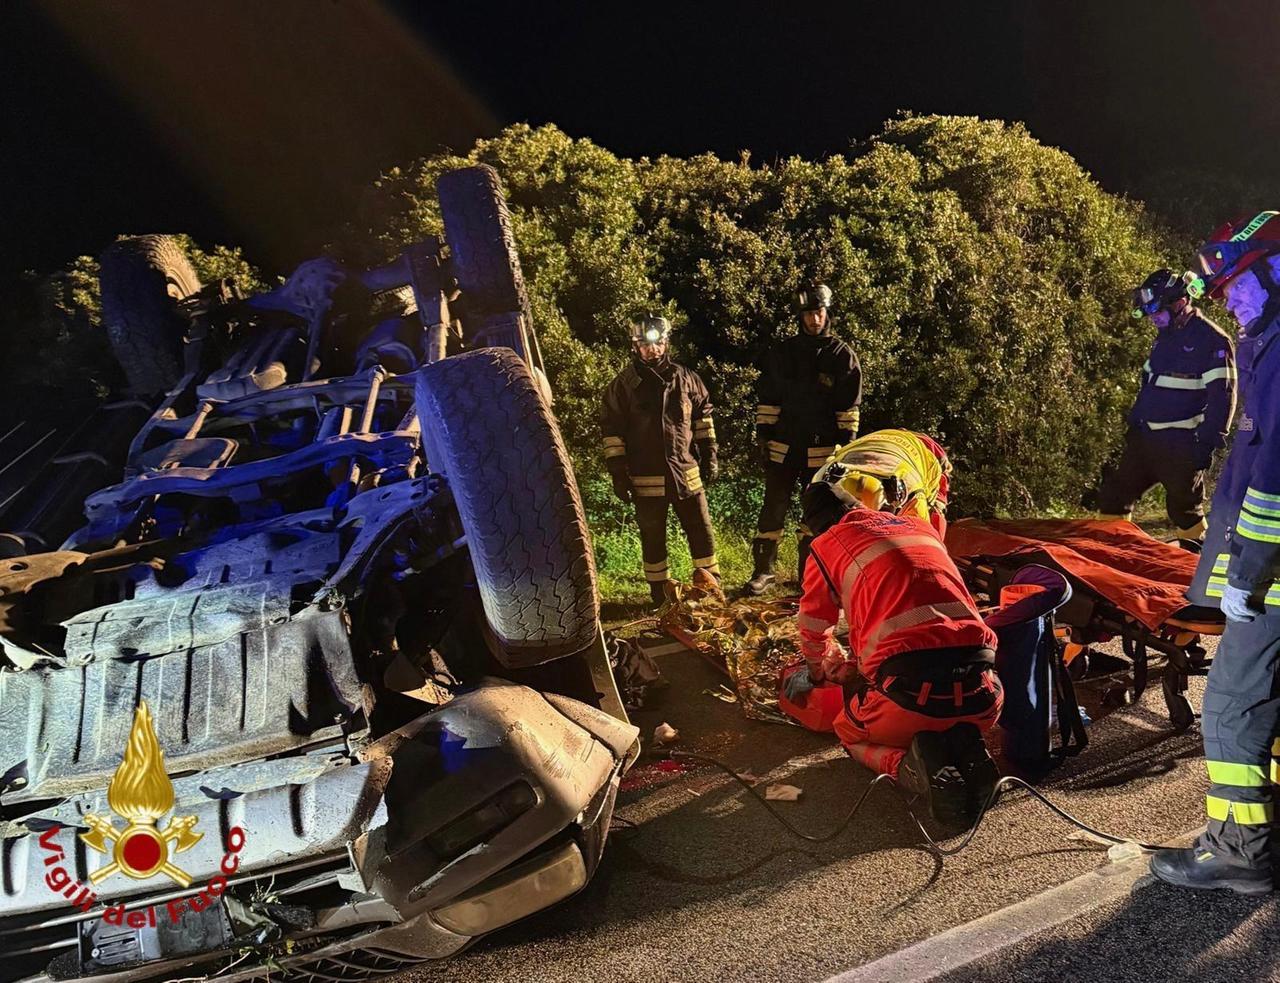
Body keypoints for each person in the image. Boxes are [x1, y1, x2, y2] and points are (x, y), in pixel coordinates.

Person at [1152, 211, 1280, 895]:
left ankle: (1238, 849)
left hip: (1274, 580)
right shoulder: (1268, 344)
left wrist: (1248, 573)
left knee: (1232, 706)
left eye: (1236, 284)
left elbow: (1274, 479)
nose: (1227, 298)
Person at [781, 460, 1002, 827]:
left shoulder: (826, 545)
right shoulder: (920, 528)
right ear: (857, 506)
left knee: (847, 733)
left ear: (815, 526)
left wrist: (819, 672)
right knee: (944, 710)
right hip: (984, 697)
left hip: (910, 698)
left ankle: (909, 766)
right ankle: (964, 743)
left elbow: (814, 625)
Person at [1097, 268, 1235, 548]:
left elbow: (1223, 396)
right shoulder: (1165, 337)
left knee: (1184, 510)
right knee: (1114, 494)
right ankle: (1112, 557)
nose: (1153, 318)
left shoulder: (1211, 340)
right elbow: (1150, 385)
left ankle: (1194, 570)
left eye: (1158, 311)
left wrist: (1206, 444)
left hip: (1181, 443)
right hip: (1145, 439)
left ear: (1180, 302)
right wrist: (1133, 426)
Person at [745, 283, 863, 594]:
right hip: (784, 448)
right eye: (809, 314)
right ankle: (763, 572)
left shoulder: (841, 356)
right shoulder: (783, 353)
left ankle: (808, 576)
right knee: (772, 510)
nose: (814, 319)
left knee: (815, 516)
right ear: (801, 316)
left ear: (827, 314)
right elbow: (768, 400)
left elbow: (849, 409)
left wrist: (845, 449)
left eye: (819, 313)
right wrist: (763, 437)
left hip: (823, 452)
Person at [601, 315, 719, 606]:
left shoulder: (687, 379)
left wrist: (710, 454)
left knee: (701, 532)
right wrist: (618, 473)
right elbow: (612, 433)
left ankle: (712, 589)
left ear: (666, 343)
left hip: (686, 473)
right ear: (635, 347)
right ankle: (660, 594)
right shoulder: (623, 386)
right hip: (646, 479)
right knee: (653, 539)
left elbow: (704, 419)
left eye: (658, 344)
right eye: (645, 346)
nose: (652, 351)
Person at [821, 428, 953, 537]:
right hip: (886, 439)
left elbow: (924, 545)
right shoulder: (824, 481)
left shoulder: (914, 500)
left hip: (929, 453)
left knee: (932, 529)